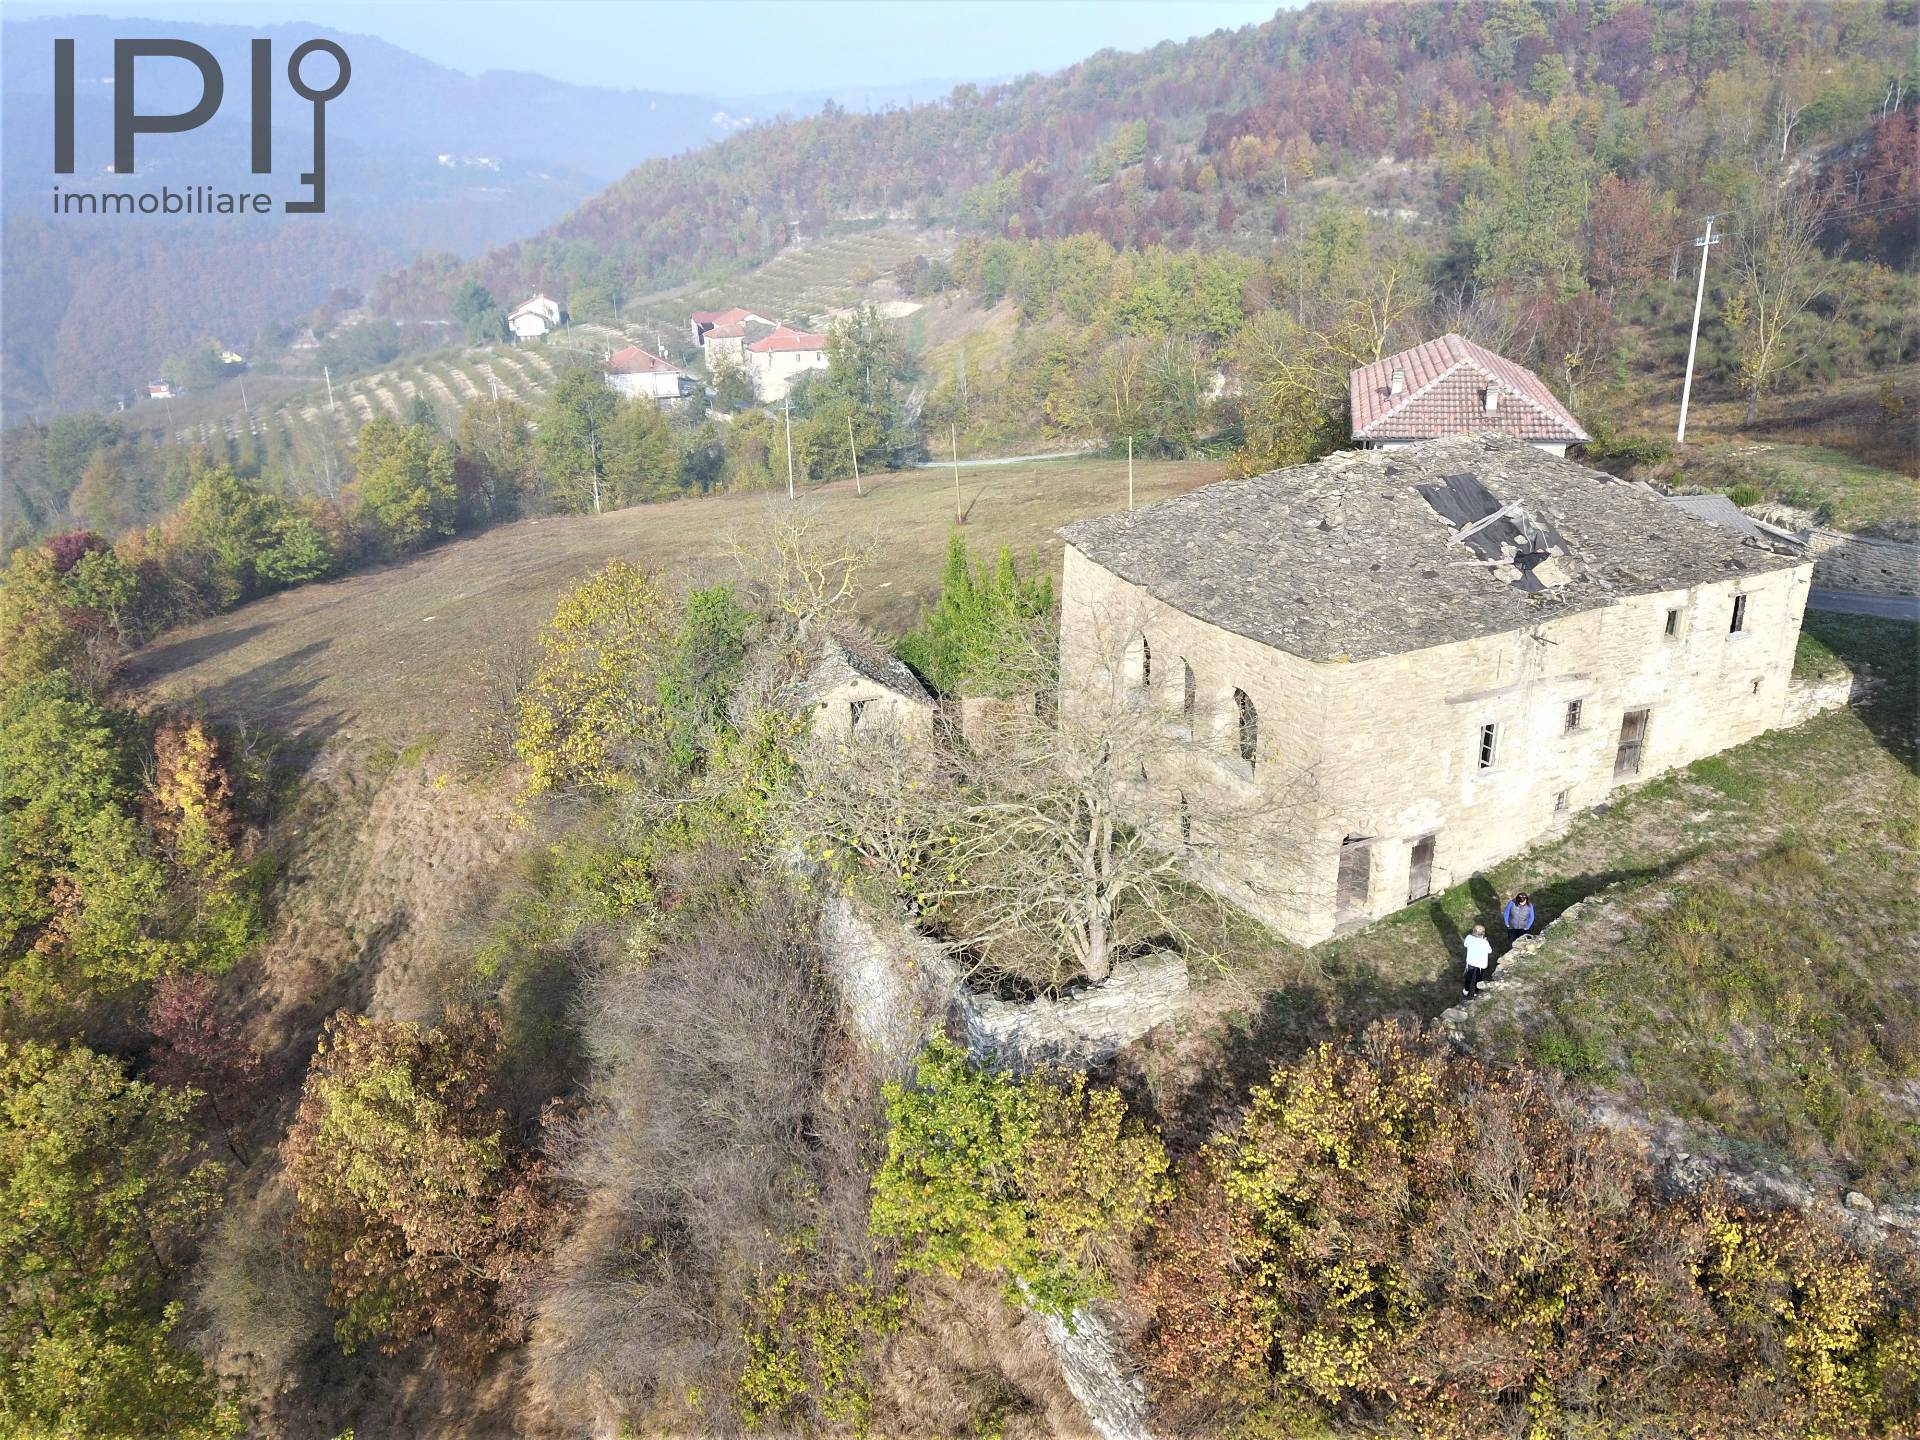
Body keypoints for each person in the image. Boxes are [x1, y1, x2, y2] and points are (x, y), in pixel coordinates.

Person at [1461, 923, 1492, 997]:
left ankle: (1466, 990)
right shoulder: (1485, 942)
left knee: (1469, 975)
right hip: (1480, 964)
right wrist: (1485, 941)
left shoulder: (1469, 938)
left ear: (1473, 932)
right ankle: (1476, 992)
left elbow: (1465, 944)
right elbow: (1490, 951)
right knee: (1479, 977)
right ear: (1483, 934)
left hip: (1471, 961)